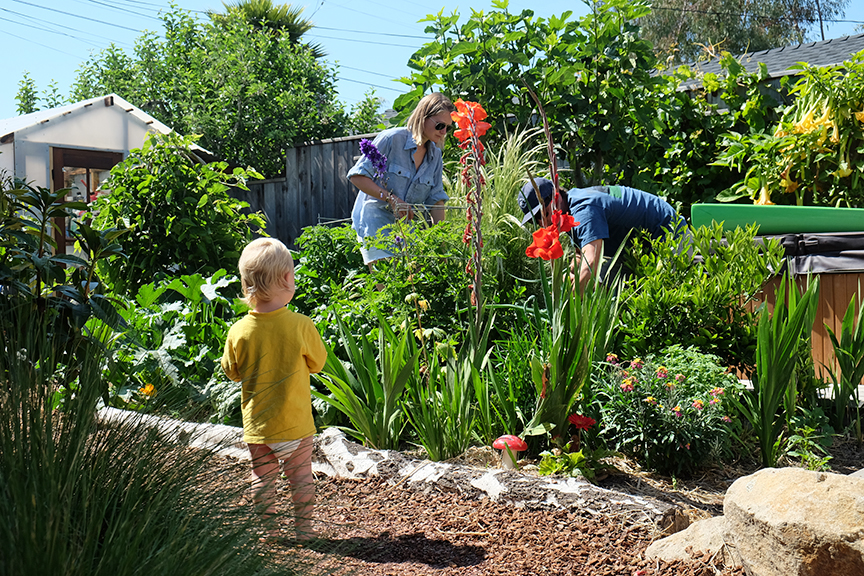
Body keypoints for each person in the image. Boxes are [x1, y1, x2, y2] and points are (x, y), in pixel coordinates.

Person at [221, 238, 328, 541]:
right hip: (296, 424)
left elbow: (232, 371)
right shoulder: (301, 325)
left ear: (246, 286)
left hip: (260, 427)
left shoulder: (238, 330)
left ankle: (270, 533)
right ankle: (304, 531)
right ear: (285, 279)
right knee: (301, 477)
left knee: (262, 478)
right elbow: (318, 363)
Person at [347, 92, 456, 265]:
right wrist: (392, 199)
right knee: (387, 284)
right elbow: (357, 177)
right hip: (375, 220)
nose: (443, 132)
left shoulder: (435, 155)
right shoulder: (391, 139)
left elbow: (436, 200)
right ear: (423, 117)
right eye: (440, 125)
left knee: (414, 282)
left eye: (448, 127)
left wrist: (440, 241)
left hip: (406, 227)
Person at [518, 177, 689, 287]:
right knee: (610, 286)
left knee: (666, 292)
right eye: (536, 220)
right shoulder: (569, 206)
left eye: (544, 214)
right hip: (638, 246)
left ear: (556, 198)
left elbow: (591, 262)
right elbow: (582, 255)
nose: (543, 222)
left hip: (669, 232)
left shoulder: (584, 210)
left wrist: (568, 304)